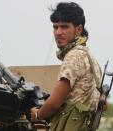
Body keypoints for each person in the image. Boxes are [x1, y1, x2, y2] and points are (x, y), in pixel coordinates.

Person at [30, 2, 102, 131]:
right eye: (55, 27)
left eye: (64, 27)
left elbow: (54, 103)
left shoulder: (73, 57)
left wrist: (37, 114)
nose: (58, 32)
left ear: (78, 29)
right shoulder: (88, 55)